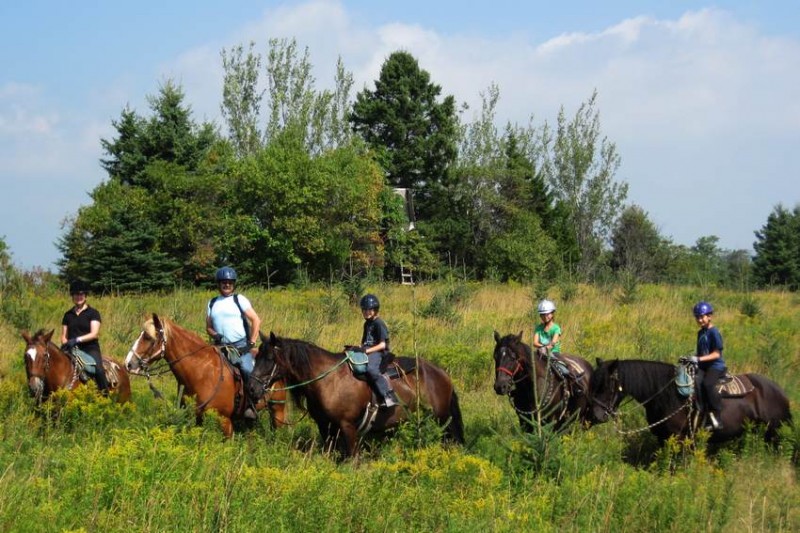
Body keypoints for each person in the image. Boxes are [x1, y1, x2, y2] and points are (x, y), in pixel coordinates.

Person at [206, 266, 262, 419]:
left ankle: (251, 405)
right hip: (220, 346)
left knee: (247, 370)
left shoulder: (239, 299)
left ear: (234, 284)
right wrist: (215, 334)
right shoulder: (212, 303)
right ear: (219, 284)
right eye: (224, 282)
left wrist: (251, 342)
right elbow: (208, 327)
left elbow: (256, 320)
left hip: (240, 346)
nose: (227, 285)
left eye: (230, 282)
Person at [61, 280, 109, 394]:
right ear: (72, 296)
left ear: (85, 296)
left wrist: (77, 340)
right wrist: (65, 343)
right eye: (76, 294)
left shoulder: (93, 313)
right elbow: (63, 336)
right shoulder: (67, 315)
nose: (79, 297)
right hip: (71, 347)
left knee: (99, 369)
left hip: (90, 348)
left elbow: (94, 334)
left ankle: (105, 395)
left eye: (81, 294)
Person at [687, 301, 726, 430]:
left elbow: (716, 354)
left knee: (707, 384)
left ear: (709, 316)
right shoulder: (700, 333)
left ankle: (717, 416)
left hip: (715, 366)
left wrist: (698, 359)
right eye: (697, 317)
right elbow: (700, 353)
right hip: (704, 365)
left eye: (702, 317)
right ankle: (699, 410)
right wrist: (691, 359)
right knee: (691, 379)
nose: (699, 320)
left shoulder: (714, 332)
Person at [532, 299, 582, 394]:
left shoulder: (556, 328)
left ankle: (573, 386)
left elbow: (553, 342)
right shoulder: (538, 328)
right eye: (542, 314)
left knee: (564, 370)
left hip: (554, 353)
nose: (544, 316)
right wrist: (543, 347)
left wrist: (547, 347)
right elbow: (535, 342)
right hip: (541, 353)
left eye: (547, 314)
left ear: (552, 314)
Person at [359, 294, 399, 408]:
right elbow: (365, 342)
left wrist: (367, 351)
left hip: (379, 352)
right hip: (369, 349)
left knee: (371, 369)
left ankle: (388, 396)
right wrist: (358, 348)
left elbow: (382, 345)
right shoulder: (367, 323)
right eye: (364, 309)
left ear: (375, 310)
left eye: (370, 309)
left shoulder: (379, 323)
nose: (367, 312)